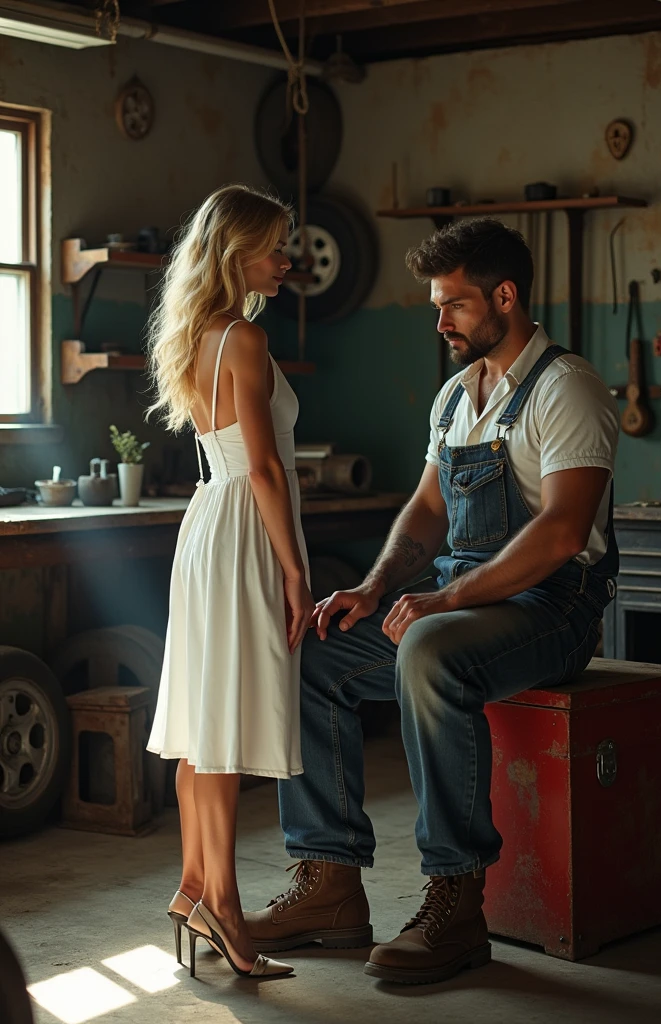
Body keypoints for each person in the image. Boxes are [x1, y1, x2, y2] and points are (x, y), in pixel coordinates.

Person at [245, 217, 620, 986]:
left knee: (427, 646)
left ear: (505, 296)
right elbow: (425, 511)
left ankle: (455, 897)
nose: (441, 321)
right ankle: (330, 885)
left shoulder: (566, 387)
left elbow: (560, 532)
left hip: (555, 606)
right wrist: (376, 585)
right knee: (312, 649)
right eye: (435, 306)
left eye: (452, 304)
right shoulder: (455, 397)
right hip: (463, 596)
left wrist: (443, 598)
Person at [147, 184, 314, 980]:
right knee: (222, 726)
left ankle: (193, 887)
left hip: (209, 521)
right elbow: (268, 468)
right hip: (244, 524)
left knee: (203, 723)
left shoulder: (198, 334)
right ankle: (228, 910)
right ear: (235, 252)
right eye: (276, 246)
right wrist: (295, 570)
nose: (288, 260)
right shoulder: (242, 336)